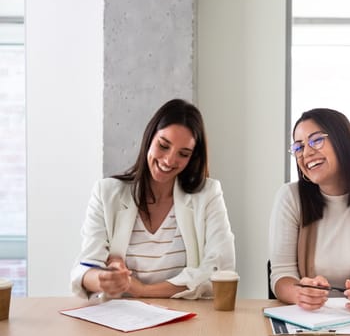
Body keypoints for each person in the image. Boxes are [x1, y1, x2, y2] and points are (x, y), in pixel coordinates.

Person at [71, 98, 235, 300]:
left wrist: (142, 291)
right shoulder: (106, 193)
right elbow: (85, 268)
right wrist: (105, 278)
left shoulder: (208, 194)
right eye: (163, 145)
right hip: (123, 323)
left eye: (183, 154)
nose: (169, 160)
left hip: (186, 322)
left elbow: (219, 269)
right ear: (150, 138)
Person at [269, 108, 350, 314]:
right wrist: (300, 293)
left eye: (316, 141)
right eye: (299, 147)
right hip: (306, 322)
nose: (307, 153)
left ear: (343, 142)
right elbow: (281, 275)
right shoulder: (289, 197)